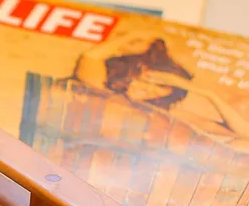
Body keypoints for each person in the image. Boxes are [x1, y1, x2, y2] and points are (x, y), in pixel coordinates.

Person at [69, 36, 249, 152]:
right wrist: (128, 40)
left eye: (159, 89)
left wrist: (207, 93)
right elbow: (91, 57)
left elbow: (245, 135)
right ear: (133, 72)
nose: (149, 89)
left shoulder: (162, 111)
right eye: (147, 80)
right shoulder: (104, 89)